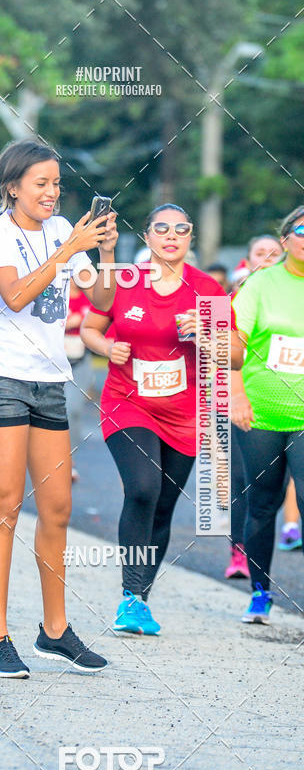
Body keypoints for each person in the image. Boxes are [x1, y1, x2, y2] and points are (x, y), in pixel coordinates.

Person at [0, 138, 118, 678]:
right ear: (13, 186)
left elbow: (101, 302)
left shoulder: (63, 231)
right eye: (41, 183)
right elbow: (14, 296)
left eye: (57, 183)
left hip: (50, 382)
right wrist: (64, 250)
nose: (53, 193)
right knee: (5, 505)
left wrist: (101, 253)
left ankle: (54, 631)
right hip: (3, 379)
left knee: (57, 507)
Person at [81, 204, 228, 636]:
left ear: (190, 238)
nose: (171, 235)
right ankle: (129, 595)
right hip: (129, 403)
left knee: (163, 505)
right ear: (147, 237)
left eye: (180, 229)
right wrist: (107, 349)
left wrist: (206, 331)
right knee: (143, 488)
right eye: (161, 228)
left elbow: (233, 355)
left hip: (184, 415)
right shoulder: (126, 281)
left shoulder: (207, 291)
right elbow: (91, 327)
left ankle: (141, 599)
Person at [231, 206, 304, 623]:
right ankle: (260, 593)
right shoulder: (261, 283)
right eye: (301, 229)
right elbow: (233, 345)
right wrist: (237, 396)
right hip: (260, 413)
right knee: (262, 502)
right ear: (285, 240)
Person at [226, 234, 284, 579]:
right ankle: (239, 552)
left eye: (271, 253)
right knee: (242, 482)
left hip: (286, 403)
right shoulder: (233, 298)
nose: (266, 257)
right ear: (247, 260)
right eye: (259, 252)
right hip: (239, 402)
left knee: (278, 488)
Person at [64, 277, 93, 482]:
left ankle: (69, 459)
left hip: (80, 361)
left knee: (72, 410)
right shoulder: (58, 297)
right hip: (56, 360)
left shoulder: (88, 300)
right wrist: (68, 324)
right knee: (58, 410)